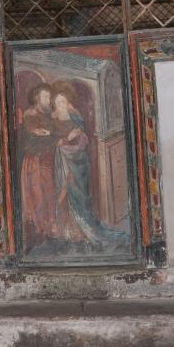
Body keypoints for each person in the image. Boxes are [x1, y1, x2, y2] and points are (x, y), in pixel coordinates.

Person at [50, 81, 127, 249]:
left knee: (80, 194)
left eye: (63, 101)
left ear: (68, 101)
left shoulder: (75, 115)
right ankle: (70, 232)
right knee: (65, 192)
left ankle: (85, 231)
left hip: (78, 161)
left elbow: (83, 137)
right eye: (58, 102)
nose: (60, 105)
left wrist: (72, 140)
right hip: (62, 159)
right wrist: (65, 139)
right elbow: (53, 140)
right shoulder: (53, 118)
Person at [20, 82, 56, 250]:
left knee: (48, 193)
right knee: (37, 195)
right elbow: (36, 134)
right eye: (46, 97)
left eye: (49, 96)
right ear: (37, 98)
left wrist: (52, 134)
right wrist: (50, 135)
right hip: (35, 161)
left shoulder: (48, 114)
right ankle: (38, 231)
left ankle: (47, 230)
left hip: (46, 159)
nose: (49, 100)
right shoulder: (31, 114)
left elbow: (52, 133)